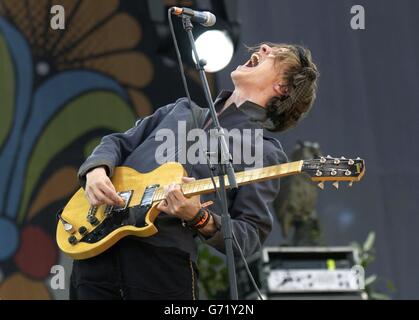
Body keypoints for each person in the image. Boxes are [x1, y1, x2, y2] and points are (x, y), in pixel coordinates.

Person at [69, 43, 319, 300]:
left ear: (282, 88)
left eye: (276, 55)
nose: (264, 47)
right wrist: (97, 171)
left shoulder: (264, 151)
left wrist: (199, 217)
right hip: (95, 250)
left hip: (161, 264)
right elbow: (118, 142)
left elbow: (250, 237)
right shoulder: (180, 109)